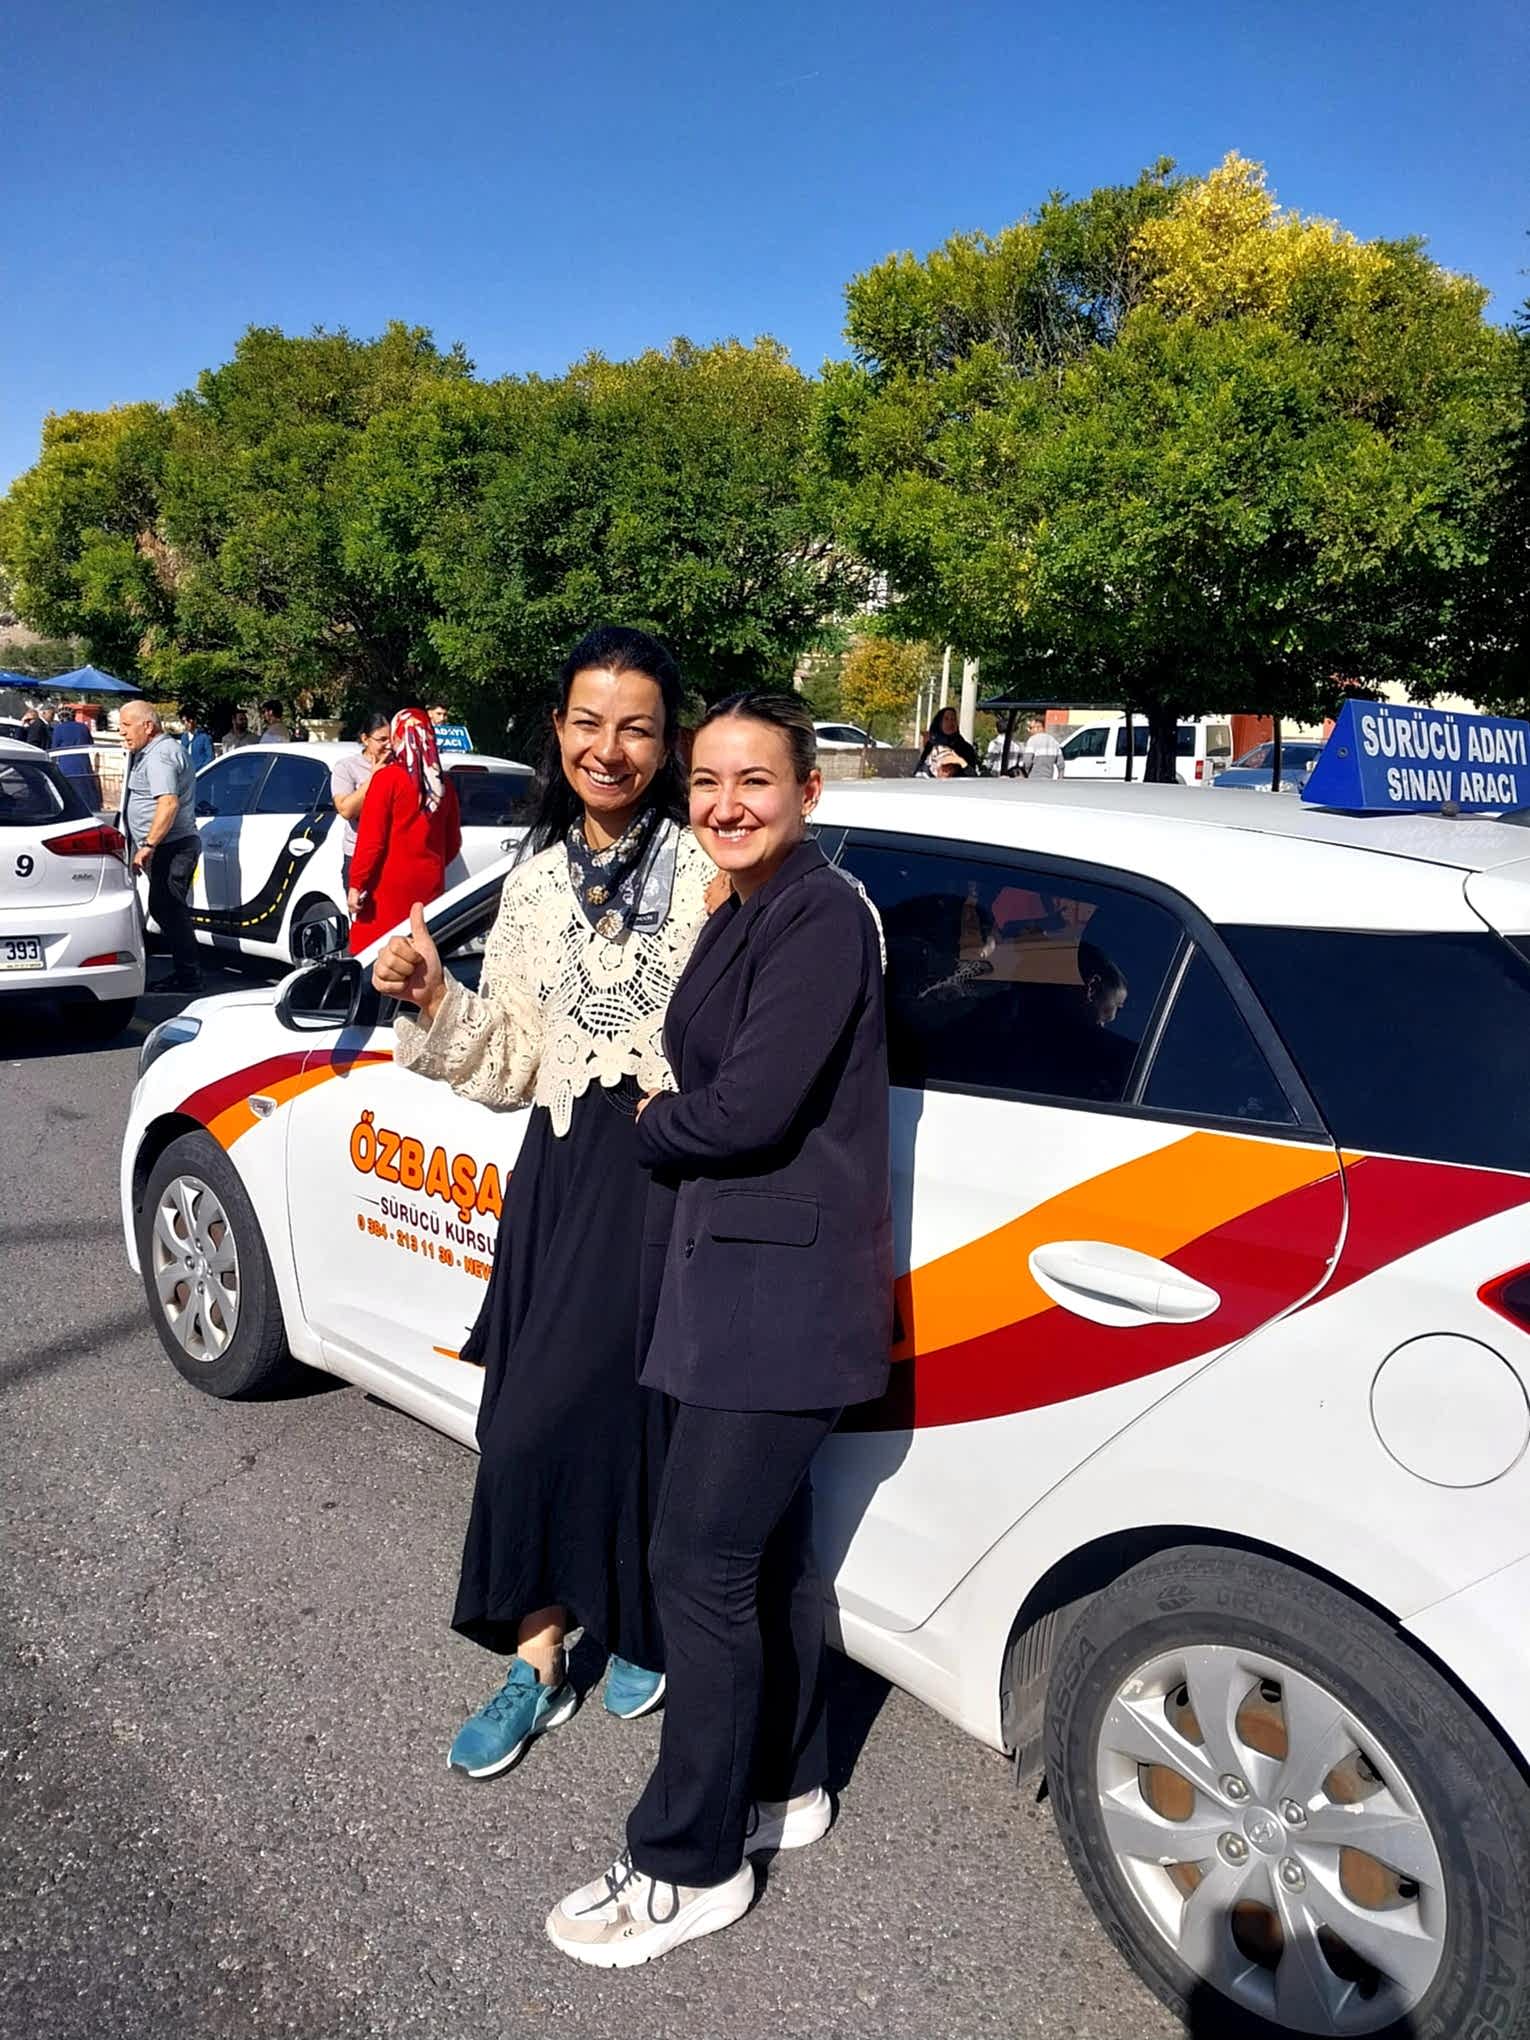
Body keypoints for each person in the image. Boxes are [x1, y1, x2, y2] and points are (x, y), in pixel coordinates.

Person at [546, 693, 892, 1968]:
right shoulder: (748, 905)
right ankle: (785, 1786)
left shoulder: (819, 914)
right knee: (764, 1555)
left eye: (755, 781)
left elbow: (746, 1109)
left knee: (696, 1566)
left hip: (779, 1304)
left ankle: (688, 1863)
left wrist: (652, 1122)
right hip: (739, 1286)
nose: (726, 804)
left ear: (810, 791)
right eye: (706, 782)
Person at [371, 626, 717, 1776]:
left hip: (672, 1173)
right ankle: (538, 1658)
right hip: (563, 1176)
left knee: (637, 1418)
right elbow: (516, 1059)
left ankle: (639, 1623)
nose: (608, 748)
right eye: (588, 722)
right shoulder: (528, 888)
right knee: (524, 1426)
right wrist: (435, 998)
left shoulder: (711, 868)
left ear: (667, 744)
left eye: (636, 728)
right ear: (559, 729)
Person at [346, 709, 461, 955]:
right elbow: (453, 843)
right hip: (429, 889)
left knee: (379, 961)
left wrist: (356, 883)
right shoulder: (444, 786)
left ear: (399, 737)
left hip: (386, 893)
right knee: (421, 958)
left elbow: (371, 842)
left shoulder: (387, 779)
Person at [119, 699, 203, 993]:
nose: (121, 732)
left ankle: (188, 976)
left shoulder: (160, 756)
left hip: (172, 845)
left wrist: (149, 844)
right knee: (166, 908)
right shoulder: (151, 752)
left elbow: (168, 804)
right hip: (167, 845)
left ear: (147, 726)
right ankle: (186, 972)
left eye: (126, 725)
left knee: (168, 908)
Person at [330, 710, 391, 895]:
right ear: (365, 739)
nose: (388, 745)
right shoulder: (347, 767)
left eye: (391, 739)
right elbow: (346, 810)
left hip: (394, 855)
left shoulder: (399, 764)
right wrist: (374, 778)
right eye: (382, 740)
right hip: (359, 855)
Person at [50, 706, 102, 807]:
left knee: (67, 792)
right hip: (83, 763)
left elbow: (54, 748)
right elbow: (90, 743)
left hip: (66, 764)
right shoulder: (83, 727)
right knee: (86, 790)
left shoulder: (58, 729)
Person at [915, 705, 979, 776]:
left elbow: (973, 777)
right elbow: (919, 771)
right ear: (939, 723)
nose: (950, 723)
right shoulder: (931, 746)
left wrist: (960, 761)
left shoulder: (966, 748)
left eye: (953, 719)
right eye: (946, 719)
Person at [1020, 716, 1065, 781]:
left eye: (1031, 728)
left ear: (1038, 727)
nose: (1030, 731)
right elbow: (1061, 764)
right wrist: (1060, 779)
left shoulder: (1032, 740)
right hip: (1049, 779)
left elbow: (1027, 761)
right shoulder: (1054, 741)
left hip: (1033, 779)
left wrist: (1026, 774)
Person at [178, 709, 215, 774]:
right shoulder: (184, 738)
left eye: (188, 720)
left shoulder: (204, 737)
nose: (186, 723)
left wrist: (200, 770)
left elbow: (210, 758)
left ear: (194, 720)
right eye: (183, 721)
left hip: (202, 773)